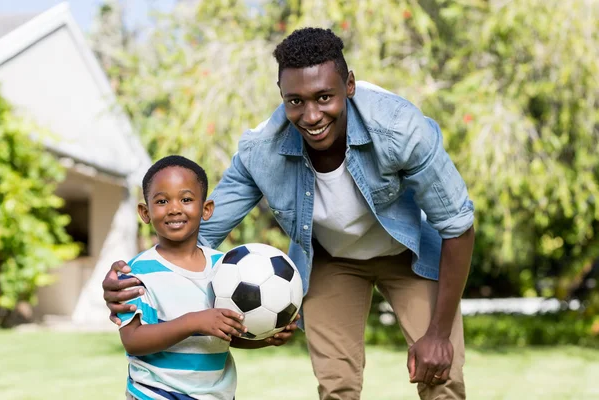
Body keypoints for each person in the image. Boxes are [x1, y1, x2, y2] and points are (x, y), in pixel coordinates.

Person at [104, 28, 474, 400]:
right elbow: (197, 233)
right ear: (282, 96)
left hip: (407, 254)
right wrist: (136, 278)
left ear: (349, 85)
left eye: (324, 97)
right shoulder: (262, 150)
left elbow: (457, 225)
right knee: (336, 385)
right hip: (332, 260)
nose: (311, 115)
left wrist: (439, 334)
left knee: (441, 376)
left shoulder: (399, 129)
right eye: (295, 101)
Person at [116, 155, 296, 400]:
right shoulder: (137, 273)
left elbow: (224, 336)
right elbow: (134, 341)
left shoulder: (225, 267)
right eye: (162, 201)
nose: (175, 208)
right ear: (145, 212)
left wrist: (266, 338)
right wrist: (193, 322)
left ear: (206, 209)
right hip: (155, 394)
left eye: (186, 199)